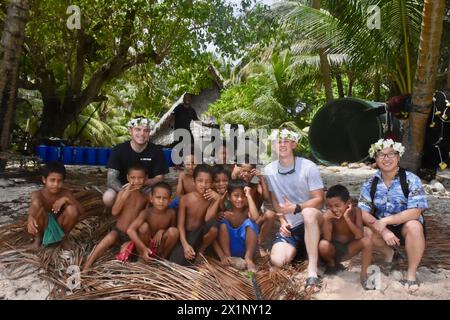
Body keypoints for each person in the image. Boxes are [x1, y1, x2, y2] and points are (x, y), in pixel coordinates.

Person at [358, 139, 428, 291]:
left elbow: (416, 210)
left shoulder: (411, 179)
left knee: (415, 226)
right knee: (365, 231)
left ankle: (411, 275)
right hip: (381, 228)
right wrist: (383, 229)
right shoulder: (370, 182)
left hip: (406, 225)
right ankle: (390, 253)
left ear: (398, 157)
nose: (386, 158)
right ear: (375, 159)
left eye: (391, 154)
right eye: (381, 155)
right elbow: (362, 212)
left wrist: (386, 221)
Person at [264, 128, 324, 289]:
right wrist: (282, 220)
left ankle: (312, 272)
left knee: (308, 212)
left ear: (294, 144)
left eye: (286, 141)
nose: (282, 144)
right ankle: (302, 250)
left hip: (312, 221)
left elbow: (319, 200)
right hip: (291, 227)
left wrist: (297, 207)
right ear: (273, 145)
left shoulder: (308, 167)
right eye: (278, 141)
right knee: (277, 260)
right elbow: (275, 200)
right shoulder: (268, 170)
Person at [83, 163, 148, 271]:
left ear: (146, 178)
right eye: (133, 178)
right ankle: (87, 266)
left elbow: (144, 218)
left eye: (140, 178)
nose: (136, 181)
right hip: (118, 231)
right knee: (106, 241)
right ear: (127, 178)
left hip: (132, 235)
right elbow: (114, 212)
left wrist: (132, 240)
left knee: (125, 255)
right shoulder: (122, 192)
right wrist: (124, 197)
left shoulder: (145, 198)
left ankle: (138, 259)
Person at [103, 117, 169, 208]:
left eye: (146, 130)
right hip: (122, 187)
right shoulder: (118, 149)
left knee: (158, 196)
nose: (142, 134)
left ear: (149, 132)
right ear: (130, 130)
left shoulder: (157, 151)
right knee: (108, 197)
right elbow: (111, 179)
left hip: (145, 187)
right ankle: (118, 214)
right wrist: (127, 191)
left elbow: (160, 178)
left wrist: (142, 183)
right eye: (138, 129)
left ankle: (146, 215)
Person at [319, 184, 374, 290]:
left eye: (337, 205)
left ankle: (363, 275)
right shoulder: (329, 216)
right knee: (323, 245)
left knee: (367, 241)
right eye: (330, 206)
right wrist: (327, 219)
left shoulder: (356, 211)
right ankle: (332, 265)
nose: (333, 209)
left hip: (348, 249)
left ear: (348, 203)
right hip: (333, 251)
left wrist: (347, 219)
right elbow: (327, 239)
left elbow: (359, 235)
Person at [27, 162, 84, 250]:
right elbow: (35, 204)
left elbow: (81, 211)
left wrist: (67, 199)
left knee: (72, 209)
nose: (56, 184)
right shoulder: (38, 194)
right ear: (44, 180)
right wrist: (30, 217)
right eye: (52, 180)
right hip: (43, 226)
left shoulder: (65, 193)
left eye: (59, 181)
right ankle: (38, 239)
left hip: (60, 226)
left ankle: (64, 239)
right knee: (39, 210)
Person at [169, 164, 219, 266]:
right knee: (178, 263)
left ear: (212, 184)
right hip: (185, 235)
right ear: (194, 181)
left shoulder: (211, 199)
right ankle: (189, 250)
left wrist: (217, 200)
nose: (203, 185)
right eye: (200, 181)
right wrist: (185, 244)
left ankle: (201, 251)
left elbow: (208, 219)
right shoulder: (185, 199)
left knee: (214, 227)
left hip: (200, 235)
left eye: (207, 181)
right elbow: (180, 225)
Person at [234, 159, 276, 256]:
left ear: (253, 173)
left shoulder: (255, 185)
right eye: (243, 171)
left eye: (249, 172)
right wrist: (234, 175)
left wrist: (261, 178)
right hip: (240, 220)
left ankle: (259, 242)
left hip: (255, 219)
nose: (246, 174)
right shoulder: (235, 183)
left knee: (270, 214)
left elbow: (266, 197)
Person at [127, 182, 178, 261]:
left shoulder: (171, 213)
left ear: (170, 200)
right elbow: (130, 230)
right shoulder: (146, 213)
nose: (161, 201)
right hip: (145, 245)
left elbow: (173, 229)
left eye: (165, 198)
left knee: (174, 231)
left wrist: (162, 231)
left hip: (160, 246)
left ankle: (162, 259)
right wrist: (143, 248)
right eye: (158, 197)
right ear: (151, 198)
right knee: (144, 227)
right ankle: (142, 257)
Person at [216, 179, 260, 272]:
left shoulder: (247, 212)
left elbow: (255, 217)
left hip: (244, 249)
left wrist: (249, 195)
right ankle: (229, 258)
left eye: (243, 196)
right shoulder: (226, 214)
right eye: (236, 195)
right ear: (228, 196)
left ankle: (248, 258)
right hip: (230, 249)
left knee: (251, 223)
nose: (240, 199)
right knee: (222, 223)